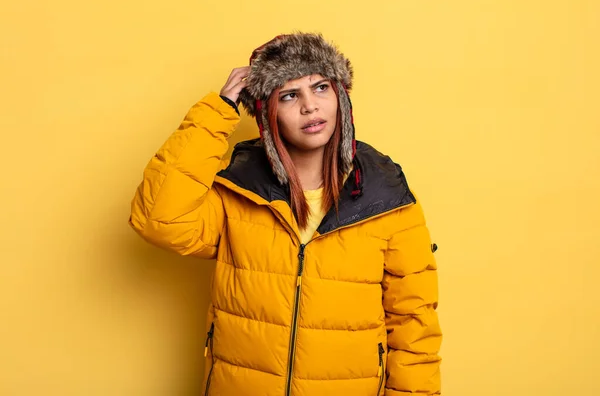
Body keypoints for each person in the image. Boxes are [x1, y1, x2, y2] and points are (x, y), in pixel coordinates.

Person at [129, 32, 442, 396]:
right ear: (267, 112)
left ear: (341, 96)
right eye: (290, 95)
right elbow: (157, 220)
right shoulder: (237, 192)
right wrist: (219, 111)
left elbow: (414, 322)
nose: (310, 107)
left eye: (321, 87)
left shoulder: (387, 196)